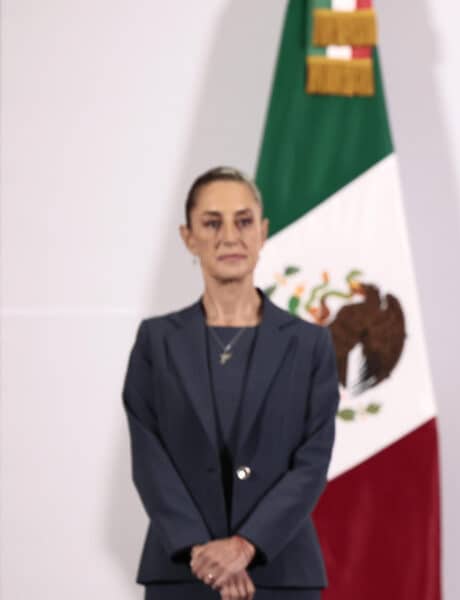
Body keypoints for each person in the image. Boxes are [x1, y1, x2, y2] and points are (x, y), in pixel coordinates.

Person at [122, 167, 339, 599]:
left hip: (280, 574)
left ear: (262, 232)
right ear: (188, 237)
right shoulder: (156, 341)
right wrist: (203, 553)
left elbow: (312, 462)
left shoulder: (310, 344)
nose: (229, 236)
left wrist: (245, 546)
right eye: (211, 222)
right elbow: (150, 460)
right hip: (183, 573)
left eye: (243, 222)